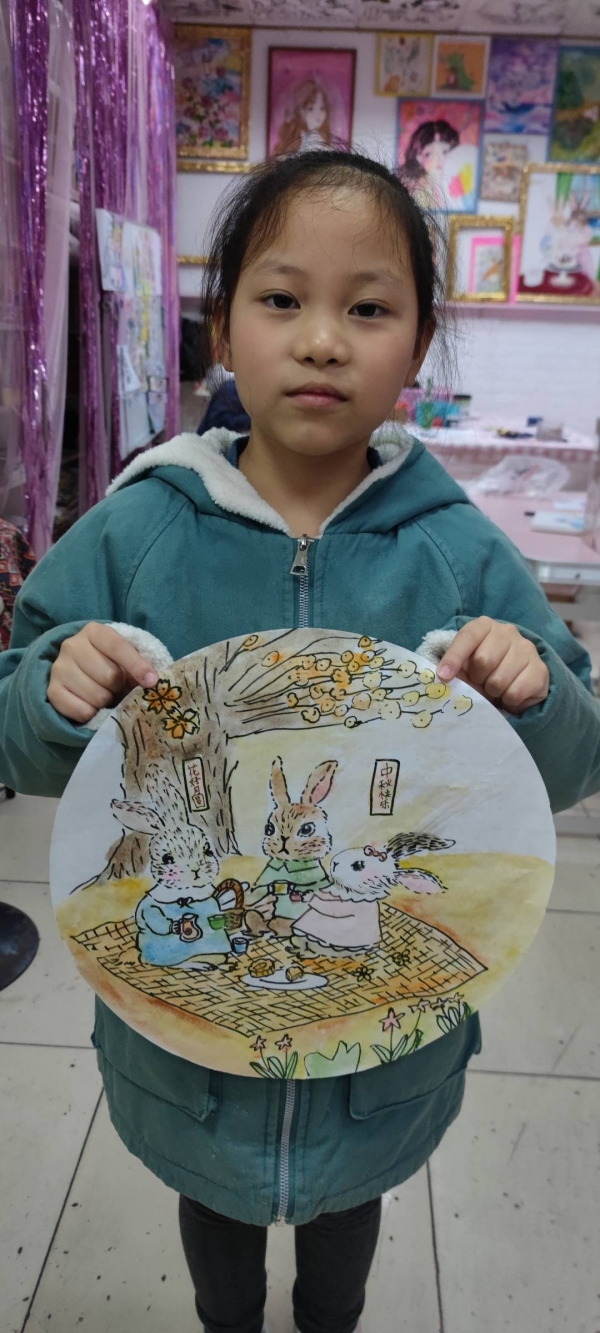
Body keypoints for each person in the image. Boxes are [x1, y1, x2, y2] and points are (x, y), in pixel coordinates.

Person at [1, 148, 600, 1333]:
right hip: (190, 1052)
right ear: (223, 328)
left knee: (344, 1238)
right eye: (283, 299)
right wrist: (53, 696)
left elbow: (575, 766)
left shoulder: (461, 553)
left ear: (418, 348)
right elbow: (17, 729)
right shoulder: (134, 529)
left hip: (378, 1069)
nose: (324, 340)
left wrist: (537, 697)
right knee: (215, 1234)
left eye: (369, 309)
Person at [274, 78, 333, 156]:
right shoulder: (298, 138)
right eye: (310, 109)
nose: (317, 114)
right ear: (300, 111)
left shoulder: (321, 137)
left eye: (322, 108)